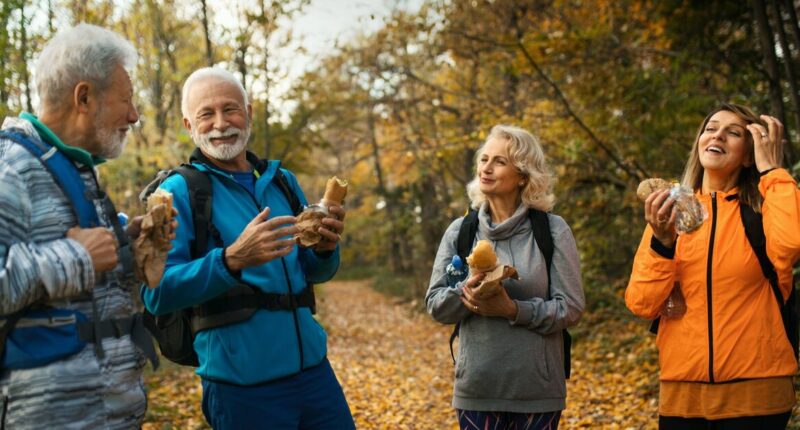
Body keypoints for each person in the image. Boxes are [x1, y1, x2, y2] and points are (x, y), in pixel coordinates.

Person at [141, 67, 355, 429]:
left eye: (231, 109)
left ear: (250, 112)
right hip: (242, 388)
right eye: (206, 114)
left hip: (314, 373)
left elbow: (316, 272)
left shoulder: (281, 181)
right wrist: (231, 260)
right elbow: (157, 293)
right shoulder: (178, 192)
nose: (221, 123)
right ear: (189, 125)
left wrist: (323, 249)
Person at [0, 24, 166, 428]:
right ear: (84, 97)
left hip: (107, 411)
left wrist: (128, 246)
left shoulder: (73, 167)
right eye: (125, 100)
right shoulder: (12, 171)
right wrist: (77, 257)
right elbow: (77, 257)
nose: (134, 115)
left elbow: (87, 275)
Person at [625, 103, 800, 429]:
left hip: (757, 395)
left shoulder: (764, 210)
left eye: (733, 132)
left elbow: (790, 244)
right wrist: (662, 244)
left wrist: (772, 171)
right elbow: (641, 303)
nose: (717, 134)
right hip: (682, 397)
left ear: (748, 156)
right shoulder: (670, 215)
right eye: (710, 128)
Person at [426, 125, 585, 429]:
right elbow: (435, 304)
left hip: (538, 391)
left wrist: (513, 310)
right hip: (477, 390)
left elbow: (572, 307)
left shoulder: (553, 231)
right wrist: (465, 293)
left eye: (499, 161)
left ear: (523, 175)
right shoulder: (460, 232)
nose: (486, 168)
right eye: (484, 159)